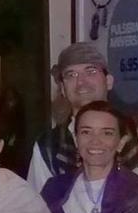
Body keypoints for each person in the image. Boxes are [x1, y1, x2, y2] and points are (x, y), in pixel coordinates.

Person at [28, 42, 112, 192]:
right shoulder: (48, 146)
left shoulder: (135, 138)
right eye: (71, 75)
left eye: (91, 71)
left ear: (109, 81)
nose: (81, 82)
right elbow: (38, 208)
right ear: (62, 89)